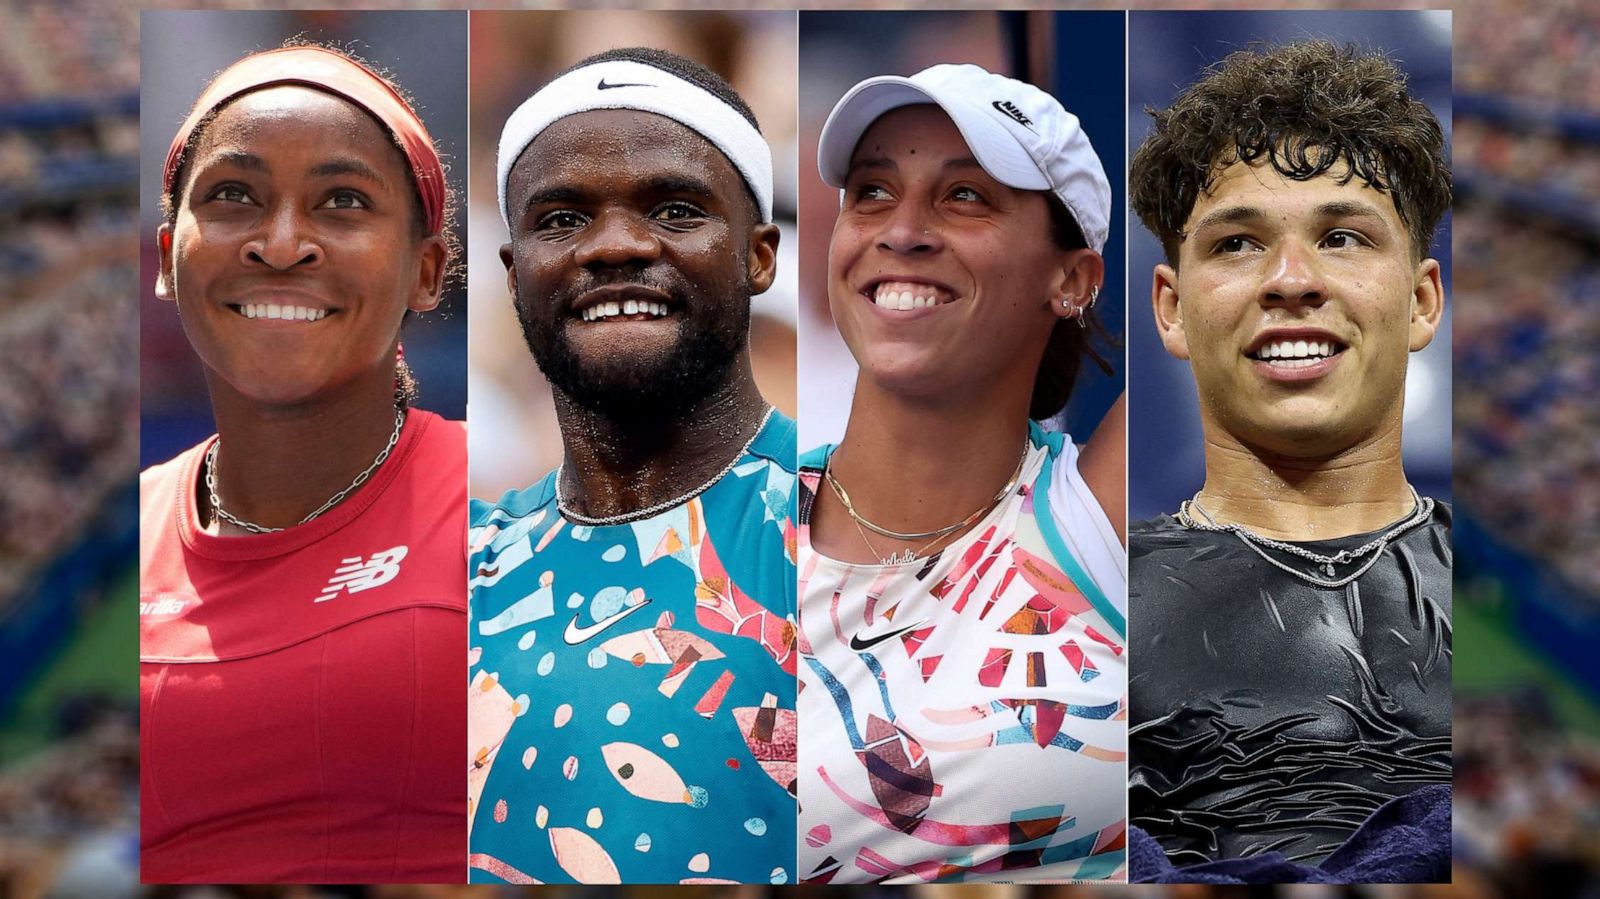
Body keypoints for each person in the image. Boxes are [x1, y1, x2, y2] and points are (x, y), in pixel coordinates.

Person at [467, 47, 797, 885]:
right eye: (562, 219)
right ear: (515, 275)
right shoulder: (458, 570)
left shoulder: (855, 525)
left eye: (676, 208)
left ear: (760, 255)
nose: (613, 246)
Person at [1126, 41, 1452, 883]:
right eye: (1237, 244)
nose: (1292, 279)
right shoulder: (1083, 608)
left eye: (1342, 236)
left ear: (1421, 301)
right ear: (1170, 308)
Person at [138, 45, 465, 882]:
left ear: (426, 271)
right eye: (234, 195)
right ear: (171, 255)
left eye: (343, 201)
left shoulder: (513, 508)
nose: (281, 244)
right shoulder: (131, 526)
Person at [798, 63, 1128, 884]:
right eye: (871, 191)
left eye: (966, 196)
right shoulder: (726, 523)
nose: (901, 230)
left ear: (1073, 279)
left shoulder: (1102, 522)